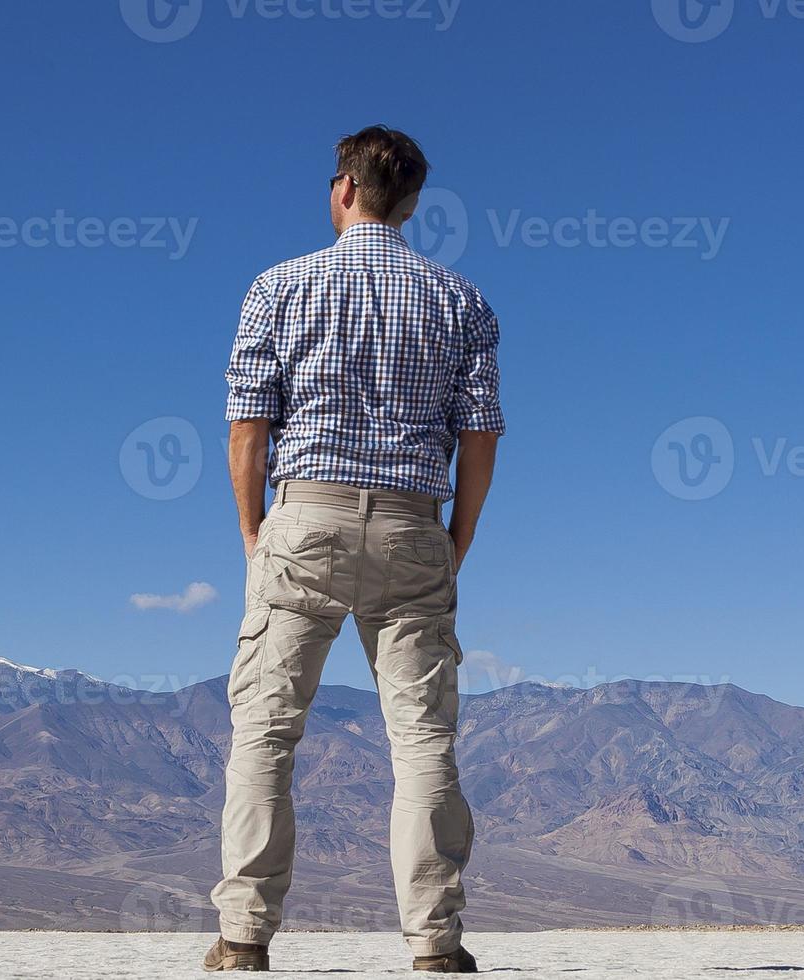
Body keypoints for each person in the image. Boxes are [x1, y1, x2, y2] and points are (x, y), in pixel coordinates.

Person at [203, 125, 503, 974]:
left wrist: (253, 530)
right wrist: (457, 536)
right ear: (408, 204)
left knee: (265, 732)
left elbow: (247, 420)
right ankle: (435, 946)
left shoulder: (279, 286)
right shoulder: (461, 301)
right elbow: (479, 436)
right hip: (414, 524)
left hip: (306, 519)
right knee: (422, 741)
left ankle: (243, 939)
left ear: (342, 190)